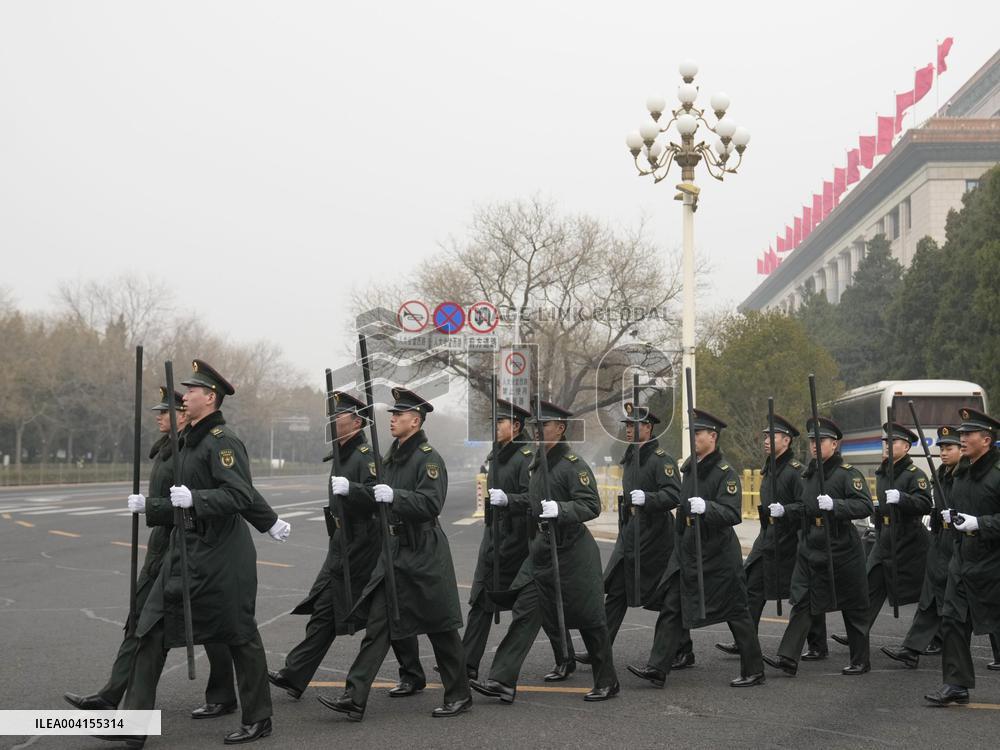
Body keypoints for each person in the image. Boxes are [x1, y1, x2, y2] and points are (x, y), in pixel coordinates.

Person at [68, 387, 288, 723]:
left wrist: (265, 520)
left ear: (209, 399)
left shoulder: (219, 439)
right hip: (181, 549)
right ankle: (131, 722)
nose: (182, 399)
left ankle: (254, 716)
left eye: (192, 392)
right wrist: (161, 505)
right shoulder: (187, 443)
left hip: (216, 555)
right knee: (150, 630)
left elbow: (239, 491)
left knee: (236, 634)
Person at [317, 387, 471, 720]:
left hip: (423, 551)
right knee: (379, 626)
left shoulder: (428, 458)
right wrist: (357, 490)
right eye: (392, 415)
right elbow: (377, 494)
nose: (392, 420)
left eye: (398, 416)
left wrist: (396, 497)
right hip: (395, 551)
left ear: (415, 421)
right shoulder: (392, 456)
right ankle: (354, 697)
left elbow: (431, 504)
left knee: (441, 629)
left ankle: (459, 694)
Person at [269, 390, 423, 700]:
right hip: (341, 543)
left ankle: (412, 673)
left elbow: (378, 498)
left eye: (337, 416)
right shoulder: (342, 453)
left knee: (386, 611)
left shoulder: (366, 456)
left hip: (365, 544)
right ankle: (295, 674)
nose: (331, 421)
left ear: (356, 421)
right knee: (326, 608)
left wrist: (352, 490)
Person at [470, 399, 619, 704]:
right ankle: (502, 680)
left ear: (560, 429)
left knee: (591, 619)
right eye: (535, 426)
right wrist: (510, 501)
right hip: (541, 550)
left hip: (572, 551)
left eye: (544, 426)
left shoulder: (572, 465)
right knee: (525, 612)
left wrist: (562, 508)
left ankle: (607, 681)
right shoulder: (537, 462)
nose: (537, 431)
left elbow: (592, 505)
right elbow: (530, 501)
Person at [628, 409, 764, 689]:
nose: (693, 438)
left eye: (698, 433)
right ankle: (657, 668)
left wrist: (708, 508)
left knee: (737, 612)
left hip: (718, 555)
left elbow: (731, 514)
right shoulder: (689, 468)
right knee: (672, 607)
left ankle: (754, 669)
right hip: (689, 552)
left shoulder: (724, 473)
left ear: (712, 437)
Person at [462, 398, 571, 680]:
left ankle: (565, 656)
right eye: (495, 422)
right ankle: (467, 662)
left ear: (517, 426)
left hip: (520, 542)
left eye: (501, 422)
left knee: (540, 604)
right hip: (496, 538)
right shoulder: (497, 454)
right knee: (482, 598)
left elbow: (534, 498)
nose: (496, 426)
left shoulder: (525, 456)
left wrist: (508, 499)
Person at [579, 403, 692, 666]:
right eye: (627, 425)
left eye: (634, 425)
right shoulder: (631, 456)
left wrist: (649, 498)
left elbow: (674, 495)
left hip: (656, 537)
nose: (628, 430)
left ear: (648, 428)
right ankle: (600, 648)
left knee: (666, 595)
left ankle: (683, 648)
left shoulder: (660, 459)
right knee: (617, 591)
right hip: (631, 533)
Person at [762, 416, 874, 679]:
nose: (814, 445)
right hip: (811, 545)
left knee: (854, 606)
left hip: (841, 547)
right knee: (802, 600)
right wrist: (785, 510)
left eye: (820, 440)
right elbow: (804, 507)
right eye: (812, 440)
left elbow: (864, 506)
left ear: (834, 444)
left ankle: (860, 660)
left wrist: (836, 506)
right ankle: (788, 656)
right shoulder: (809, 474)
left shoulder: (847, 474)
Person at [715, 414, 827, 660]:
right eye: (765, 436)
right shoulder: (771, 467)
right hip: (767, 538)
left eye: (771, 436)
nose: (765, 440)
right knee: (750, 586)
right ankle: (745, 639)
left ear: (786, 441)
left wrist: (786, 511)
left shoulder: (795, 471)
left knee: (803, 594)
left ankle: (818, 644)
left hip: (791, 541)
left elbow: (807, 506)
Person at [831, 422, 931, 652]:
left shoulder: (915, 475)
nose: (886, 445)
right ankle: (858, 630)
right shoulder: (884, 470)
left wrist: (904, 499)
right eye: (885, 441)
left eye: (892, 442)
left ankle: (934, 636)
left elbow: (925, 504)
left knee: (925, 593)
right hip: (884, 538)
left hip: (909, 540)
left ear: (906, 447)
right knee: (869, 585)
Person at [924, 408, 1000, 705]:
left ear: (986, 439)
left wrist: (980, 523)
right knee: (952, 619)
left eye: (968, 434)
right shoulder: (963, 472)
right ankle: (956, 683)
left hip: (994, 561)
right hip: (963, 558)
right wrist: (951, 517)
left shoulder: (996, 474)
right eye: (962, 433)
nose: (962, 438)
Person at [882, 426, 963, 668]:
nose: (944, 453)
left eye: (949, 448)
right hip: (940, 541)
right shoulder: (941, 474)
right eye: (941, 448)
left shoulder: (965, 476)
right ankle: (912, 649)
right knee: (930, 596)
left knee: (978, 599)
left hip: (964, 541)